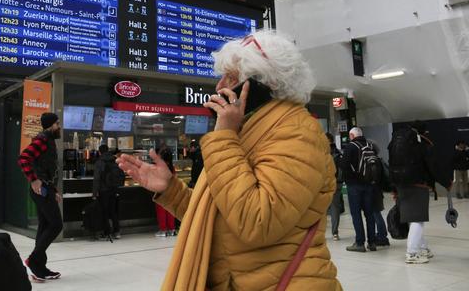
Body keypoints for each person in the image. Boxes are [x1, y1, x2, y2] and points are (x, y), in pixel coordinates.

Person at [117, 30, 341, 290]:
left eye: (231, 77)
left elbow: (257, 221)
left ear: (262, 84)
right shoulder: (250, 129)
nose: (220, 85)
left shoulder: (296, 132)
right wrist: (171, 190)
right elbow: (222, 217)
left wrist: (223, 138)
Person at [389, 121, 452, 264]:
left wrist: (394, 189)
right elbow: (433, 166)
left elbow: (391, 165)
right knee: (418, 220)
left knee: (413, 219)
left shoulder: (398, 142)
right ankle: (412, 253)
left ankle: (423, 248)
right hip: (418, 185)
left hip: (400, 185)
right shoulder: (421, 144)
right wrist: (446, 182)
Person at [18, 112, 63, 281]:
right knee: (56, 225)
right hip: (40, 189)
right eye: (57, 124)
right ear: (51, 125)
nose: (59, 127)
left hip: (46, 189)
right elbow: (23, 158)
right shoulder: (42, 139)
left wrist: (54, 190)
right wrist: (33, 179)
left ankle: (39, 267)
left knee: (45, 227)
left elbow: (47, 168)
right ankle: (32, 260)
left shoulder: (48, 141)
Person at [340, 127, 378, 252]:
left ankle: (359, 243)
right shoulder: (370, 145)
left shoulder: (351, 147)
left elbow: (344, 165)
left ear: (351, 135)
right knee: (369, 214)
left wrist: (348, 178)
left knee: (356, 214)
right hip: (369, 184)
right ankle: (372, 242)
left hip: (354, 185)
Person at [93, 144, 121, 240]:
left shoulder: (99, 161)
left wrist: (94, 192)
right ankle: (117, 232)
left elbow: (96, 178)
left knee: (104, 211)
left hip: (103, 190)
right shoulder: (114, 160)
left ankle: (107, 232)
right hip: (113, 189)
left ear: (100, 152)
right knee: (113, 211)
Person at [154, 148, 176, 237]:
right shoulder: (171, 167)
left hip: (161, 191)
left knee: (161, 210)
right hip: (171, 190)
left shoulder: (159, 167)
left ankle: (163, 230)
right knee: (170, 210)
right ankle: (172, 229)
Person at [326, 133, 344, 241]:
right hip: (336, 183)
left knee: (320, 209)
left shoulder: (321, 153)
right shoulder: (338, 153)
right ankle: (335, 233)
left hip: (326, 184)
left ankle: (333, 232)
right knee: (334, 208)